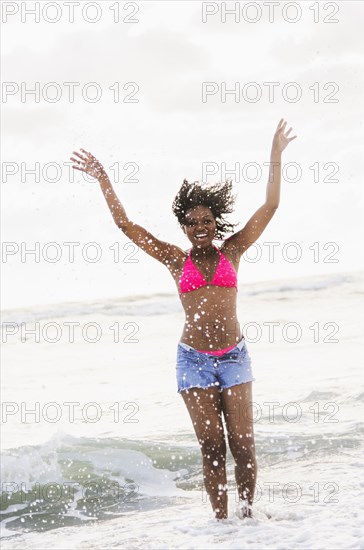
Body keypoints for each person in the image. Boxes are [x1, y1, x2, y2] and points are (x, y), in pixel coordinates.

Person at [70, 118, 297, 521]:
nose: (200, 228)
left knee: (243, 445)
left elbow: (271, 206)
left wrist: (275, 154)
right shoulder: (177, 259)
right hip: (193, 359)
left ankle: (247, 520)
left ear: (216, 222)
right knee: (211, 447)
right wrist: (104, 179)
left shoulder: (234, 250)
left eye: (206, 221)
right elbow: (127, 226)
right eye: (192, 223)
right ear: (184, 226)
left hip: (234, 357)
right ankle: (222, 525)